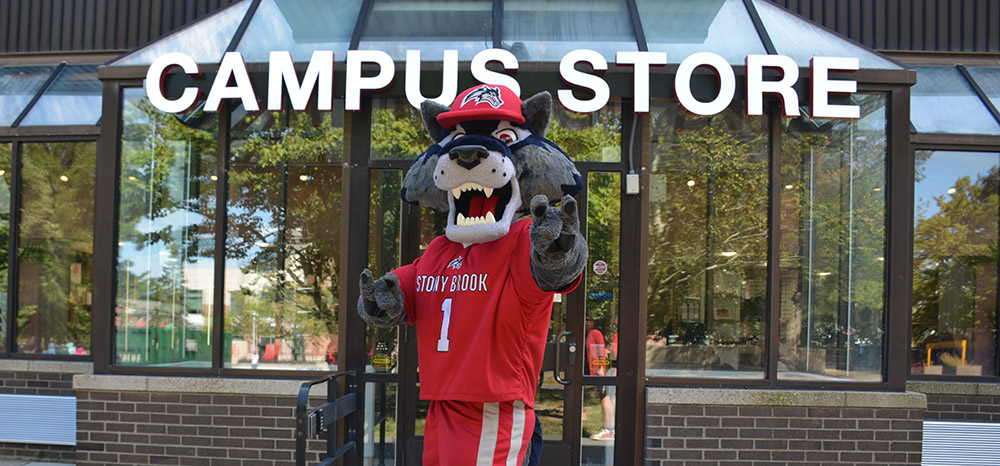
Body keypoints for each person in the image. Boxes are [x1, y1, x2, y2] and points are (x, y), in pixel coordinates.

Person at [586, 315, 616, 441]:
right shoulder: (588, 334)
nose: (586, 322)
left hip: (602, 370)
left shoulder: (595, 333)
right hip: (603, 370)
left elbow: (601, 352)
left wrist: (602, 371)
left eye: (589, 320)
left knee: (605, 396)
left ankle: (609, 430)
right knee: (609, 396)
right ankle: (611, 429)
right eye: (584, 320)